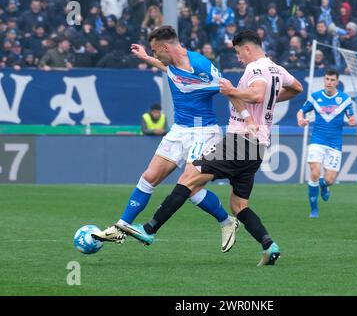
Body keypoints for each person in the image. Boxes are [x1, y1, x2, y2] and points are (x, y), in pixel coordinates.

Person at [117, 30, 303, 266]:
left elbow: (256, 95)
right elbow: (296, 87)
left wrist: (233, 91)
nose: (238, 58)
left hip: (240, 141)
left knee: (188, 178)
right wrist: (270, 99)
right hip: (259, 146)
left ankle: (149, 229)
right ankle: (269, 245)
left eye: (238, 53)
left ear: (247, 48)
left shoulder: (255, 68)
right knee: (238, 205)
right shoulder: (277, 69)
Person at [93, 26, 239, 253]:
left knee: (188, 187)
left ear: (165, 47)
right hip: (179, 130)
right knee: (149, 177)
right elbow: (166, 67)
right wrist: (144, 57)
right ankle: (121, 226)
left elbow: (228, 89)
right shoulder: (172, 64)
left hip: (203, 131)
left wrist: (247, 119)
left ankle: (227, 222)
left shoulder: (200, 65)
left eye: (154, 50)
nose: (154, 54)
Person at [297, 69, 356, 218]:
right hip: (317, 140)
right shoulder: (315, 97)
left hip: (335, 143)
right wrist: (301, 119)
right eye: (327, 79)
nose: (329, 82)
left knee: (329, 180)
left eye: (332, 80)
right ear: (324, 80)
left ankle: (324, 186)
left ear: (337, 82)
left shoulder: (344, 99)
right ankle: (314, 210)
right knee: (315, 173)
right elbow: (301, 111)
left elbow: (351, 117)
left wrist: (352, 121)